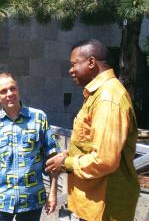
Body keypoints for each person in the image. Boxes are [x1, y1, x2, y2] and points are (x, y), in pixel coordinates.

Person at [45, 39, 140, 221]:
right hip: (94, 204)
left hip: (105, 206)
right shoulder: (99, 94)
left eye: (74, 64)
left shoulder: (108, 98)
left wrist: (66, 163)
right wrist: (66, 155)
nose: (70, 70)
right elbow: (91, 143)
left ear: (91, 62)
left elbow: (105, 160)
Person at [0, 72, 60, 221]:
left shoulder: (39, 118)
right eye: (3, 91)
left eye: (12, 88)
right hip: (0, 201)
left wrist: (53, 193)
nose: (9, 94)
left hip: (31, 200)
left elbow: (53, 156)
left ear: (18, 89)